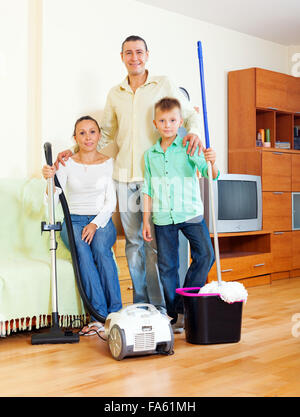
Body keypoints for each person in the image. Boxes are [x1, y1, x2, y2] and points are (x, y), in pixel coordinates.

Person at [55, 35, 204, 315]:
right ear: (122, 57)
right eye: (128, 53)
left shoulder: (163, 84)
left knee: (155, 246)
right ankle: (139, 304)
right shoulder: (115, 93)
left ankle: (160, 307)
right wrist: (74, 151)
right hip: (124, 177)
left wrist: (194, 132)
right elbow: (106, 133)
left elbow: (187, 115)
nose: (134, 57)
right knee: (134, 244)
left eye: (139, 52)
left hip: (155, 179)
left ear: (147, 55)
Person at [142, 97, 219, 333]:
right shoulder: (150, 155)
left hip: (191, 213)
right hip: (163, 218)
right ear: (156, 123)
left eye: (172, 120)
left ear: (180, 121)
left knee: (206, 255)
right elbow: (148, 189)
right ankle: (175, 314)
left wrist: (212, 161)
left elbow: (211, 174)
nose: (167, 125)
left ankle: (185, 303)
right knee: (167, 266)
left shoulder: (190, 146)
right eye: (163, 121)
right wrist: (145, 219)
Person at [42, 116, 122, 335]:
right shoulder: (66, 163)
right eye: (82, 133)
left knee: (101, 250)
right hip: (73, 221)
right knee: (83, 253)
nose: (88, 137)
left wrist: (95, 224)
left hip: (101, 219)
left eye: (92, 132)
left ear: (99, 135)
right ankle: (98, 318)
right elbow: (53, 199)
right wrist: (49, 180)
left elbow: (110, 202)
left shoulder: (108, 162)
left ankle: (115, 314)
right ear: (75, 137)